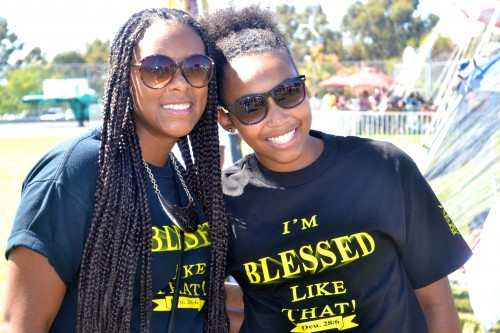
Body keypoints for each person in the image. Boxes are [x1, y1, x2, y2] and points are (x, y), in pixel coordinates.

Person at [200, 5, 472, 333]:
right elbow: (196, 302)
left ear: (305, 88)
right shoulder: (221, 201)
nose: (278, 117)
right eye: (251, 106)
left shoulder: (383, 167)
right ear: (226, 119)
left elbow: (437, 303)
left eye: (288, 93)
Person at [3, 8, 229, 333]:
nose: (180, 84)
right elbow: (21, 324)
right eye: (157, 69)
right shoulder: (77, 171)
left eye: (195, 68)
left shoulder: (187, 178)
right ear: (125, 75)